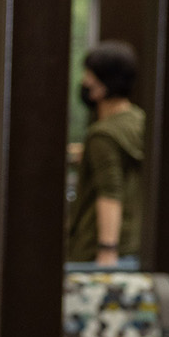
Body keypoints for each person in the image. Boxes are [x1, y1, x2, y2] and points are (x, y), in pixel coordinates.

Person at [67, 40, 144, 266]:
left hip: (97, 252)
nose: (84, 81)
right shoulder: (139, 121)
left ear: (107, 81)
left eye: (90, 74)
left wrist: (106, 250)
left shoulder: (103, 135)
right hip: (133, 243)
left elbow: (110, 193)